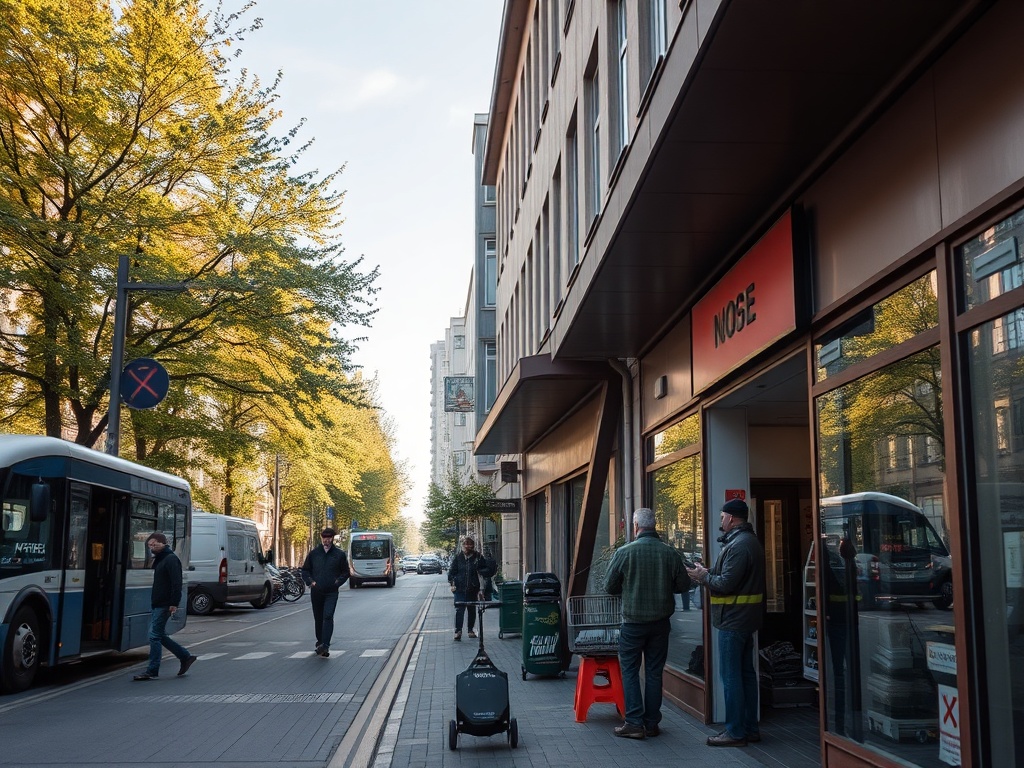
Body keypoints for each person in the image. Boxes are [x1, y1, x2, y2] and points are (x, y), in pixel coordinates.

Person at [605, 507, 691, 739]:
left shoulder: (625, 552)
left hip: (633, 623)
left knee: (630, 671)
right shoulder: (669, 553)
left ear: (635, 526)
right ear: (654, 525)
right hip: (660, 623)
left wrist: (629, 586)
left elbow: (609, 586)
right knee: (654, 672)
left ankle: (634, 722)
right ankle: (651, 723)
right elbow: (684, 585)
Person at [686, 498, 765, 747]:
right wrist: (707, 572)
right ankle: (749, 728)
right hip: (744, 619)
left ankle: (735, 732)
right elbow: (730, 577)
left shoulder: (739, 545)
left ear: (731, 518)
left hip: (733, 620)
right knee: (746, 675)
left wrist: (703, 577)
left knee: (731, 677)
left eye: (722, 517)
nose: (721, 521)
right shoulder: (746, 542)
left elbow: (725, 584)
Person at [133, 532, 197, 681]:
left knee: (154, 636)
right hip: (158, 602)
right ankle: (185, 657)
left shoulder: (171, 559)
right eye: (150, 545)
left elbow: (176, 583)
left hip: (165, 604)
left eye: (154, 544)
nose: (152, 547)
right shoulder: (161, 559)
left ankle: (152, 670)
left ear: (163, 543)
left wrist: (174, 603)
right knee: (159, 635)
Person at [301, 527, 349, 657]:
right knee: (318, 618)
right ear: (321, 538)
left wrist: (337, 582)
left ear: (332, 539)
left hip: (331, 591)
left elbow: (346, 572)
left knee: (328, 616)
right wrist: (311, 582)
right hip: (317, 591)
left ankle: (325, 645)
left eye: (329, 538)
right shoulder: (314, 554)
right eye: (324, 538)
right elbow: (305, 570)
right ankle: (320, 642)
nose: (326, 540)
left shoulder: (339, 554)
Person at [447, 536, 493, 641]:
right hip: (459, 588)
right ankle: (458, 631)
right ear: (462, 546)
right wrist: (452, 583)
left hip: (473, 588)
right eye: (465, 544)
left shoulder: (478, 557)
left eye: (469, 544)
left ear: (473, 546)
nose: (467, 546)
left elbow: (485, 570)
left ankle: (470, 630)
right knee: (459, 610)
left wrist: (482, 572)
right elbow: (452, 572)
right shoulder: (458, 557)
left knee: (471, 610)